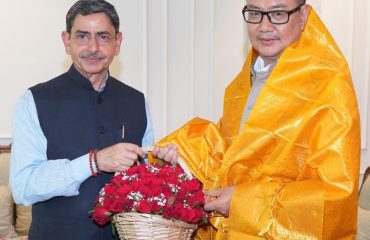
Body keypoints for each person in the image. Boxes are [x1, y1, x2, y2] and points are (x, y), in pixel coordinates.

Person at [151, 0, 360, 239]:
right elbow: (230, 157)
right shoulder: (246, 81)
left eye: (278, 13)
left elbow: (334, 195)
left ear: (303, 16)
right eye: (255, 13)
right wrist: (183, 158)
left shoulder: (328, 86)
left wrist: (242, 202)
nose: (264, 26)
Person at [10, 0, 156, 239]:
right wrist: (93, 162)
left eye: (103, 37)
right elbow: (23, 187)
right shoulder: (33, 100)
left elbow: (147, 180)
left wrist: (168, 166)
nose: (93, 47)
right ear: (66, 42)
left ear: (118, 43)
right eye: (82, 36)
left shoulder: (137, 101)